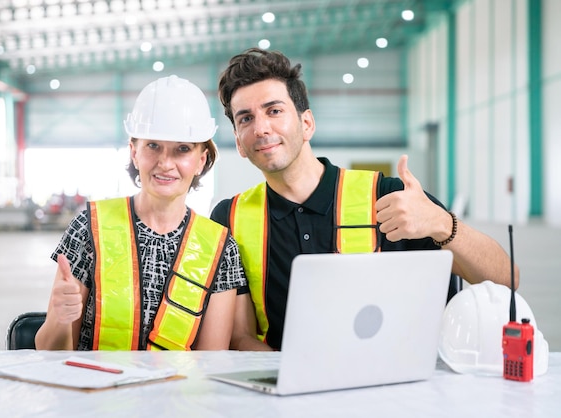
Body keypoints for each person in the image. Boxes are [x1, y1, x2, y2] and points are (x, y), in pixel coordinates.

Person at [210, 48, 519, 351]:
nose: (261, 128)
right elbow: (240, 336)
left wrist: (441, 224)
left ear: (307, 124)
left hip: (388, 387)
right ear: (238, 142)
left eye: (274, 111)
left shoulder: (390, 197)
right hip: (284, 390)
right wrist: (292, 377)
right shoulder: (231, 218)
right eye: (246, 119)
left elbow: (507, 280)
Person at [35, 75, 247, 351]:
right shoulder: (90, 227)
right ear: (134, 152)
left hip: (177, 392)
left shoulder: (221, 249)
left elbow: (210, 364)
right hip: (93, 391)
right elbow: (48, 351)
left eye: (182, 149)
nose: (165, 163)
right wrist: (61, 319)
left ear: (201, 160)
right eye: (153, 146)